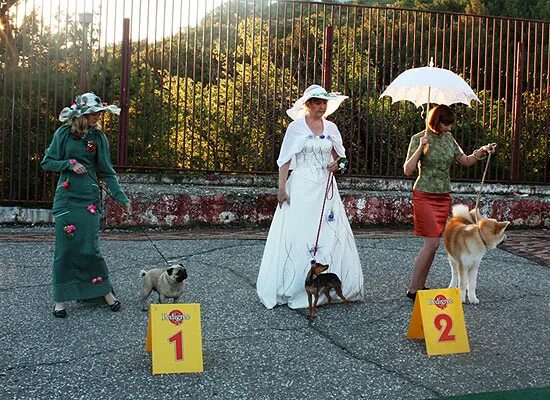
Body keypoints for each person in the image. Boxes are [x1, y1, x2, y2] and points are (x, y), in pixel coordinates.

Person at [257, 84, 364, 310]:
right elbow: (285, 160)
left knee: (328, 233)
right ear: (308, 105)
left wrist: (339, 165)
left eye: (324, 102)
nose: (321, 106)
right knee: (300, 232)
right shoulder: (296, 128)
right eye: (317, 102)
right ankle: (295, 286)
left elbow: (342, 158)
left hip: (325, 187)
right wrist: (282, 188)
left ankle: (328, 286)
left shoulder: (332, 128)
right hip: (302, 186)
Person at [41, 92, 131, 318]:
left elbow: (107, 172)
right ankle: (60, 300)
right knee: (65, 250)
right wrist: (69, 164)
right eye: (93, 112)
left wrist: (122, 198)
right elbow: (47, 162)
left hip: (89, 200)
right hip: (67, 200)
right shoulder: (63, 134)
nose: (98, 116)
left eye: (99, 112)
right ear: (82, 114)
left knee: (90, 249)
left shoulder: (99, 138)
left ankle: (104, 292)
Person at [403, 104, 496, 300]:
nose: (449, 128)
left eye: (450, 125)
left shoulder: (449, 139)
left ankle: (420, 287)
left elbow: (466, 161)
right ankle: (413, 288)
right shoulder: (419, 139)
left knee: (434, 245)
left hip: (443, 196)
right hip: (425, 195)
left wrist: (482, 150)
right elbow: (408, 169)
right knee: (432, 244)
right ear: (436, 122)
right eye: (446, 124)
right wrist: (421, 147)